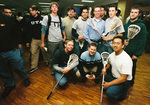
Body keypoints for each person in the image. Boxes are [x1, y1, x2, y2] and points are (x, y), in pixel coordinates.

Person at [0, 13, 30, 98]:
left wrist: (19, 42)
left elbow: (18, 31)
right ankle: (9, 84)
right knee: (3, 70)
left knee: (18, 66)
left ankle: (25, 78)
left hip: (11, 50)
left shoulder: (8, 19)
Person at [123, 5, 147, 86]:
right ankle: (123, 80)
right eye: (132, 12)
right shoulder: (125, 25)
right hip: (124, 51)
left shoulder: (142, 26)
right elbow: (123, 36)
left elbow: (142, 41)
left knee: (131, 68)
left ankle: (130, 83)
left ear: (139, 14)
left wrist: (137, 54)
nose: (133, 14)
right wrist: (124, 41)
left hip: (133, 53)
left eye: (135, 12)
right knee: (123, 66)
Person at [41, 2, 66, 75]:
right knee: (52, 57)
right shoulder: (47, 18)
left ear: (58, 9)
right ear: (51, 8)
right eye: (53, 7)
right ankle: (52, 69)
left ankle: (59, 68)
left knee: (61, 55)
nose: (54, 8)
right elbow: (43, 30)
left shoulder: (60, 18)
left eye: (56, 7)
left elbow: (63, 28)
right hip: (51, 41)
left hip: (60, 40)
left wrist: (64, 36)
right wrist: (42, 42)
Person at [25, 5, 49, 73]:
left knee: (44, 51)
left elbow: (46, 29)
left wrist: (46, 38)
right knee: (33, 52)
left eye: (32, 10)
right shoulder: (29, 20)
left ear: (36, 11)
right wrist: (27, 41)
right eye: (30, 11)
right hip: (34, 39)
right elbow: (27, 31)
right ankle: (34, 66)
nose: (31, 12)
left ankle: (47, 61)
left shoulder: (42, 19)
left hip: (42, 39)